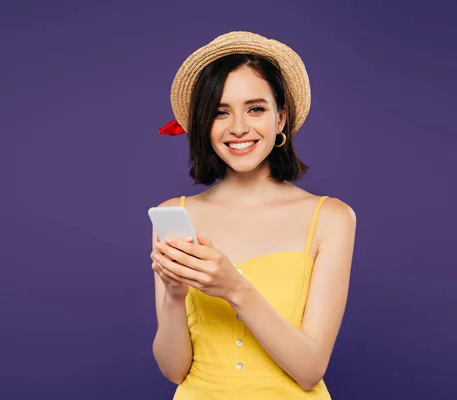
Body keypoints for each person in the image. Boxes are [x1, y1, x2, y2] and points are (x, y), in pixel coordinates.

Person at [150, 31, 356, 399]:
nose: (239, 128)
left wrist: (235, 289)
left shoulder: (331, 218)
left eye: (256, 108)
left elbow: (310, 370)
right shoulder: (174, 214)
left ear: (281, 119)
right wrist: (174, 294)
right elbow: (173, 369)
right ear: (203, 125)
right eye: (220, 112)